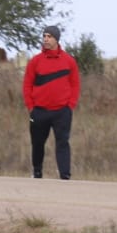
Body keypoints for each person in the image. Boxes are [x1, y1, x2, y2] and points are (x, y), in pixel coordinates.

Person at [23, 24, 80, 180]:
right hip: (39, 110)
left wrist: (70, 105)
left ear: (56, 39)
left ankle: (65, 175)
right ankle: (37, 172)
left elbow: (75, 84)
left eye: (49, 37)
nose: (46, 39)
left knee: (63, 142)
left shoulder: (69, 61)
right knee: (37, 143)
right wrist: (31, 107)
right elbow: (27, 84)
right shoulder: (35, 61)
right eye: (44, 36)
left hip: (62, 111)